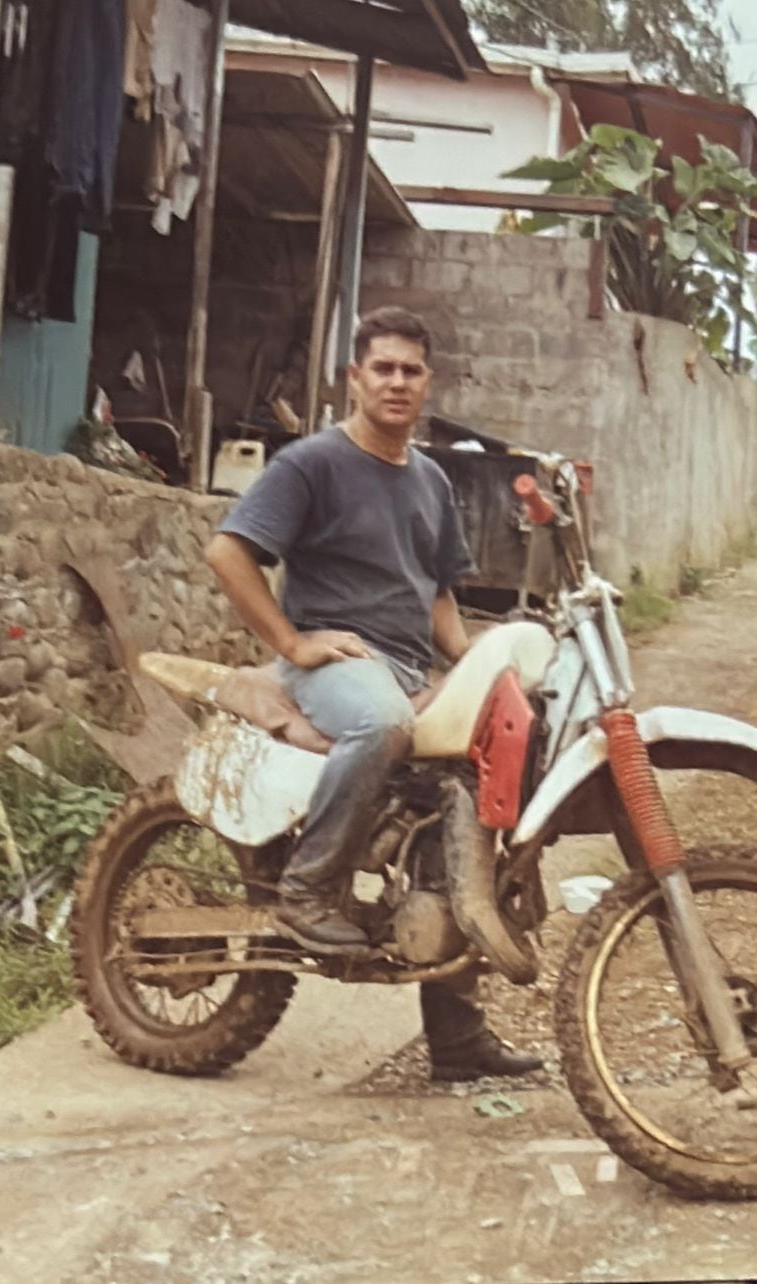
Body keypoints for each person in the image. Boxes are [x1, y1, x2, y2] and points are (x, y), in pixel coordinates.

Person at [205, 306, 542, 1083]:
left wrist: (479, 659)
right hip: (332, 667)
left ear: (429, 381)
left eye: (411, 369)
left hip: (403, 665)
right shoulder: (312, 464)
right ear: (354, 377)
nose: (397, 381)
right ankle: (309, 885)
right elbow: (226, 552)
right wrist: (291, 643)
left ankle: (456, 1039)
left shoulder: (429, 479)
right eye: (382, 367)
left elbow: (438, 598)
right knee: (384, 724)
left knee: (467, 798)